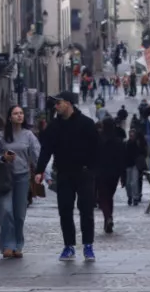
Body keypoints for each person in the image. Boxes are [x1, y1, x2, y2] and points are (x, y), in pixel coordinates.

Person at [35, 91, 101, 262]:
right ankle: (69, 246)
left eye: (59, 103)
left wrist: (93, 169)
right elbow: (46, 150)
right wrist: (39, 170)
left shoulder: (86, 123)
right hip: (63, 173)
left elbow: (97, 147)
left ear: (69, 103)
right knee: (65, 210)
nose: (56, 106)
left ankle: (88, 245)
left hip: (84, 173)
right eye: (55, 104)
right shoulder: (54, 126)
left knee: (86, 210)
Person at [0, 105, 42, 258]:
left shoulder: (28, 135)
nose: (19, 116)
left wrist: (40, 171)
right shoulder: (1, 136)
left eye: (21, 113)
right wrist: (3, 158)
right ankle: (7, 244)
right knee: (6, 211)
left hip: (22, 177)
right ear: (9, 117)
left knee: (19, 214)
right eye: (15, 113)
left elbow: (36, 154)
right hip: (6, 177)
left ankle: (18, 245)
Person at [96, 117, 127, 233]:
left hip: (101, 172)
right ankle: (107, 219)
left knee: (103, 197)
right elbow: (122, 160)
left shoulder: (99, 140)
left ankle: (108, 217)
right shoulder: (118, 141)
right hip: (114, 174)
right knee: (109, 197)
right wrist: (123, 176)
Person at [124, 128, 147, 206]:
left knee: (134, 182)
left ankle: (135, 197)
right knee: (127, 183)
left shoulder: (137, 143)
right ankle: (130, 196)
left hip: (135, 165)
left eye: (133, 134)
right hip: (128, 165)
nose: (131, 135)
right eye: (130, 134)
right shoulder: (127, 143)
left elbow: (142, 152)